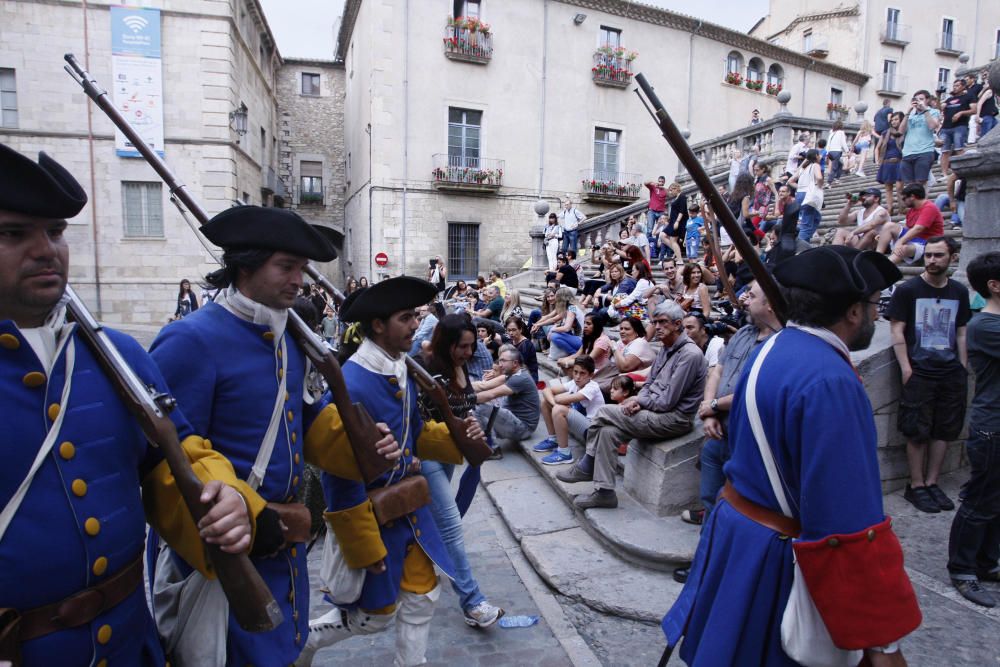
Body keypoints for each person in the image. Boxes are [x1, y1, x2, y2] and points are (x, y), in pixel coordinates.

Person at [0, 144, 255, 667]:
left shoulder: (118, 353)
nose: (47, 249)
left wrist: (225, 493)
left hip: (128, 642)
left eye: (55, 231)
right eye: (13, 234)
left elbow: (172, 458)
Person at [146, 205, 395, 665]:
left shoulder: (284, 338)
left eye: (302, 268)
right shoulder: (190, 340)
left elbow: (301, 424)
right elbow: (167, 455)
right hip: (225, 550)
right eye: (286, 266)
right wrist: (243, 513)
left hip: (285, 550)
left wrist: (360, 444)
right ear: (245, 265)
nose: (299, 280)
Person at [662, 245, 921, 666]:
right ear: (853, 312)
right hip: (776, 560)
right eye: (875, 305)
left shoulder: (774, 347)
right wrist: (882, 638)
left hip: (743, 536)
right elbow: (848, 516)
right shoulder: (831, 380)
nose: (878, 315)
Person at [300, 278, 486, 666]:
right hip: (372, 517)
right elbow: (338, 476)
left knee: (421, 597)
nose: (415, 326)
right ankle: (306, 643)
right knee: (372, 617)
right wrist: (363, 545)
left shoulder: (399, 369)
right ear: (378, 325)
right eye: (405, 318)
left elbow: (413, 433)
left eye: (415, 316)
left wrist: (459, 436)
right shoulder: (351, 382)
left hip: (407, 507)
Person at [558, 301, 707, 509]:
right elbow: (649, 383)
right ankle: (605, 492)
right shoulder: (666, 348)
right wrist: (639, 399)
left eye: (663, 322)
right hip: (653, 410)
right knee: (607, 432)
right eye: (655, 322)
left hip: (674, 419)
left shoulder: (690, 355)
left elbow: (667, 401)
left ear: (678, 324)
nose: (658, 327)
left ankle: (587, 463)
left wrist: (640, 401)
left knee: (603, 411)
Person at [415, 314, 504, 626]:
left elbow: (464, 406)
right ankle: (473, 602)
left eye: (471, 346)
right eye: (462, 346)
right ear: (446, 343)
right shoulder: (424, 367)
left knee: (438, 522)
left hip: (451, 452)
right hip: (426, 453)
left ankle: (415, 569)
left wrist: (473, 424)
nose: (468, 352)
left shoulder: (461, 365)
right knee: (451, 525)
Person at [887, 236, 970, 514]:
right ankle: (917, 484)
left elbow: (961, 331)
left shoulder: (958, 291)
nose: (932, 261)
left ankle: (933, 482)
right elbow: (897, 329)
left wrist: (962, 364)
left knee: (945, 429)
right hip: (920, 369)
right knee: (916, 430)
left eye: (939, 256)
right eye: (929, 255)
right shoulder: (908, 289)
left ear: (952, 258)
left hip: (950, 371)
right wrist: (906, 367)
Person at [947, 251, 1000, 607]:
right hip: (992, 428)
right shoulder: (986, 326)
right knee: (979, 502)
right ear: (994, 286)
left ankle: (985, 561)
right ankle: (962, 569)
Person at [533, 355, 605, 466]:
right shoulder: (574, 383)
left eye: (582, 373)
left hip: (593, 430)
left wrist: (557, 403)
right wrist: (553, 403)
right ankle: (553, 440)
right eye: (575, 372)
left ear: (591, 375)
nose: (577, 377)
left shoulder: (592, 387)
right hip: (582, 424)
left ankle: (564, 454)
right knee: (545, 403)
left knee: (559, 410)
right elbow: (547, 390)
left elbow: (559, 398)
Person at [475, 345, 540, 446]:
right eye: (500, 361)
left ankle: (492, 447)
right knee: (478, 403)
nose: (500, 365)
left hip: (523, 429)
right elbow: (483, 386)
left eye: (503, 361)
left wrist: (464, 399)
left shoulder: (520, 378)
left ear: (515, 363)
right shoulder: (511, 374)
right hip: (514, 422)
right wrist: (461, 387)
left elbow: (490, 394)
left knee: (480, 406)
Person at [877, 183, 944, 266]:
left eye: (904, 198)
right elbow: (908, 227)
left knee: (903, 248)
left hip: (929, 243)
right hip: (915, 239)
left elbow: (918, 229)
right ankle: (877, 257)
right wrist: (884, 234)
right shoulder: (912, 210)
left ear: (912, 197)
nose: (903, 201)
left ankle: (882, 267)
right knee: (888, 226)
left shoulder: (929, 207)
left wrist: (900, 242)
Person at [595, 316, 656, 395]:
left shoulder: (640, 343)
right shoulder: (623, 342)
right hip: (619, 376)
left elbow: (624, 367)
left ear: (637, 332)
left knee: (595, 387)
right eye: (621, 329)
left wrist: (614, 348)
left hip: (636, 381)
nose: (622, 332)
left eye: (627, 329)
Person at [899, 90, 941, 188]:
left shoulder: (933, 112)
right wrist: (908, 113)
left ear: (927, 100)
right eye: (916, 100)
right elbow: (901, 131)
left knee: (920, 183)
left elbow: (932, 126)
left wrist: (925, 110)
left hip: (924, 151)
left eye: (921, 99)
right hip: (908, 152)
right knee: (908, 184)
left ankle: (921, 202)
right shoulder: (911, 115)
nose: (918, 102)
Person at [939, 77, 978, 178]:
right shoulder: (949, 99)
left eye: (957, 86)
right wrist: (938, 96)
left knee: (959, 148)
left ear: (963, 86)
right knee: (944, 151)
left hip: (960, 126)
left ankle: (960, 171)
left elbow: (974, 110)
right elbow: (940, 109)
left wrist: (961, 113)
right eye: (954, 86)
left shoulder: (969, 96)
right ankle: (944, 173)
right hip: (946, 127)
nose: (955, 88)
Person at [787, 148, 824, 242]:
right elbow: (819, 178)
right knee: (806, 224)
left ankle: (804, 239)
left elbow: (790, 181)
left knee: (816, 218)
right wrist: (819, 186)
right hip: (809, 195)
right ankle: (801, 246)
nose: (820, 156)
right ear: (816, 156)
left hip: (800, 194)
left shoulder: (803, 168)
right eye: (819, 155)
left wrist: (800, 187)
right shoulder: (815, 165)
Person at [876, 111, 905, 216]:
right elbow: (878, 147)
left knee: (899, 187)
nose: (893, 121)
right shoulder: (885, 133)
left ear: (901, 120)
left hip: (900, 162)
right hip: (887, 162)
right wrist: (878, 160)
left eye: (896, 119)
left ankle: (902, 207)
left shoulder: (904, 132)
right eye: (892, 120)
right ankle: (890, 208)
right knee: (888, 188)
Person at [547, 286, 582, 361]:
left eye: (556, 296)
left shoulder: (572, 308)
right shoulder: (571, 306)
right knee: (553, 331)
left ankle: (574, 353)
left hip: (581, 340)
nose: (555, 298)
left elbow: (566, 328)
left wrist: (553, 330)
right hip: (576, 338)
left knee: (555, 336)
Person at [504, 316, 539, 382]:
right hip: (515, 373)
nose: (511, 333)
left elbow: (518, 366)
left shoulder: (526, 345)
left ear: (520, 330)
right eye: (509, 330)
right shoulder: (510, 341)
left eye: (514, 330)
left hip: (528, 377)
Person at [826, 120, 850, 185]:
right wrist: (847, 151)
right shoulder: (841, 132)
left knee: (840, 164)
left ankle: (837, 178)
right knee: (834, 167)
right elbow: (843, 143)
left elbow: (828, 143)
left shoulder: (831, 133)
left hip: (830, 152)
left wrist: (827, 152)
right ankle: (829, 182)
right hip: (837, 151)